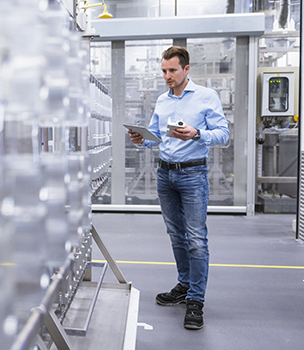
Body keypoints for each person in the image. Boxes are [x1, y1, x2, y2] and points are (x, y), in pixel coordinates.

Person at [128, 46, 229, 330]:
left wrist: (197, 133)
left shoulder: (206, 97)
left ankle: (196, 300)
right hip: (165, 175)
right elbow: (157, 136)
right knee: (176, 236)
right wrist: (141, 139)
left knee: (196, 239)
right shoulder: (162, 100)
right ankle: (184, 285)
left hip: (193, 174)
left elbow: (223, 134)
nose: (167, 76)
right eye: (164, 71)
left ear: (186, 69)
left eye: (172, 70)